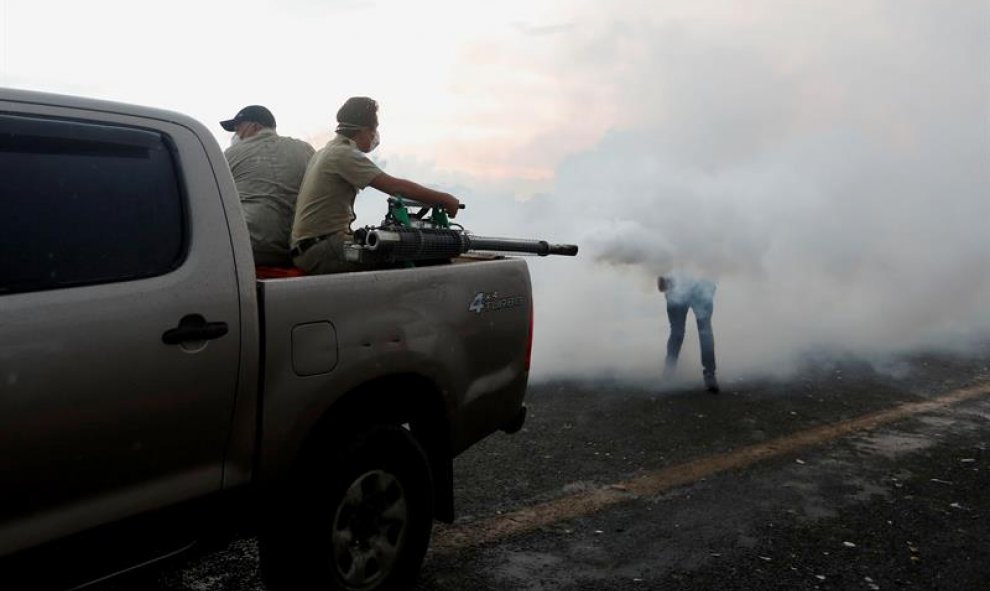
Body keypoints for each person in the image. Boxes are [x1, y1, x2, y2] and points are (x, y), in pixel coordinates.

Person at [290, 96, 460, 275]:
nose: (374, 136)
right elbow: (395, 187)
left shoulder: (327, 151)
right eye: (373, 130)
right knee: (407, 255)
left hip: (313, 246)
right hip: (320, 249)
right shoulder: (344, 154)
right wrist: (444, 199)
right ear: (363, 130)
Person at [221, 105, 315, 267]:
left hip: (250, 248)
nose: (236, 135)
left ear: (255, 126)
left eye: (238, 130)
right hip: (298, 248)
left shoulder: (230, 155)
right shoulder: (305, 149)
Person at [658, 272, 720, 393]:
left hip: (691, 285)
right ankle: (709, 376)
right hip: (687, 285)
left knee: (680, 332)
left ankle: (669, 373)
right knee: (700, 332)